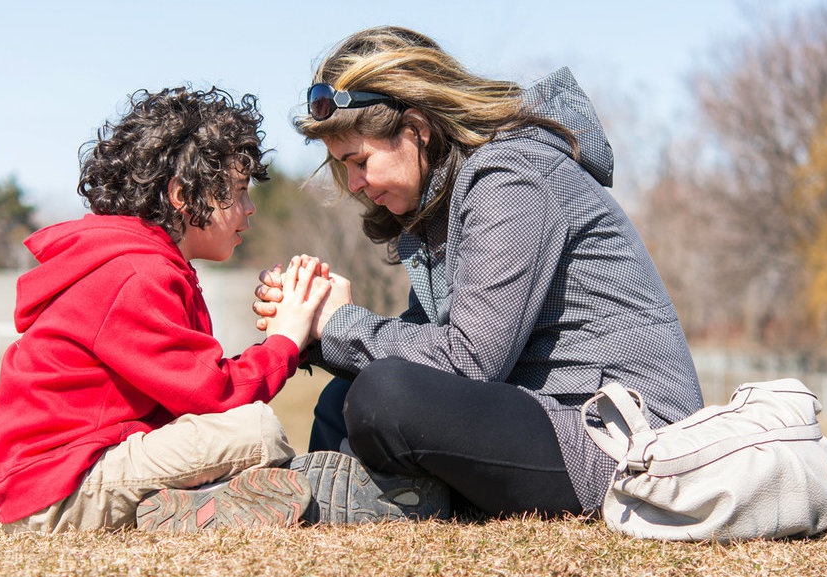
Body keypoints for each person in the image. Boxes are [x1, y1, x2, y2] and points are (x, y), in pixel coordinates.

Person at [255, 26, 704, 518]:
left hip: (626, 441)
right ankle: (316, 510)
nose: (356, 183)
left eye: (359, 160)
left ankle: (387, 501)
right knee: (342, 396)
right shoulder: (445, 204)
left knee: (383, 394)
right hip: (548, 415)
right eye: (344, 167)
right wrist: (308, 328)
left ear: (417, 129)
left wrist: (339, 324)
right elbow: (430, 344)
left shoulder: (513, 175)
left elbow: (469, 358)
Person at [0, 86, 333, 533]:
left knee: (241, 431)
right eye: (240, 191)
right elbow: (216, 397)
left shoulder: (142, 262)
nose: (250, 208)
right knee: (256, 430)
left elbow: (194, 391)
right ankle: (217, 501)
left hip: (68, 473)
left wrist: (286, 344)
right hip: (60, 491)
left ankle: (201, 503)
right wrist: (286, 340)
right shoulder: (135, 273)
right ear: (184, 195)